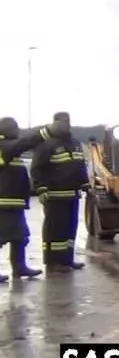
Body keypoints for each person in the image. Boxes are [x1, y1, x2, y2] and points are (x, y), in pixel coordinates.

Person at [0, 117, 65, 282]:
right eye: (14, 127)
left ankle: (19, 268)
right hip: (4, 203)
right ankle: (19, 267)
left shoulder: (8, 147)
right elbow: (23, 144)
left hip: (13, 203)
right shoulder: (4, 146)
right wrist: (47, 131)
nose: (17, 130)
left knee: (20, 237)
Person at [31, 112, 89, 272]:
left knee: (70, 229)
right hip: (54, 196)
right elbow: (37, 169)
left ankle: (67, 260)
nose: (66, 124)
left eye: (67, 121)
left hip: (72, 195)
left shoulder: (75, 143)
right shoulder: (46, 145)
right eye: (62, 121)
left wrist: (85, 184)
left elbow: (80, 166)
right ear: (54, 123)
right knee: (54, 231)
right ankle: (53, 262)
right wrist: (41, 189)